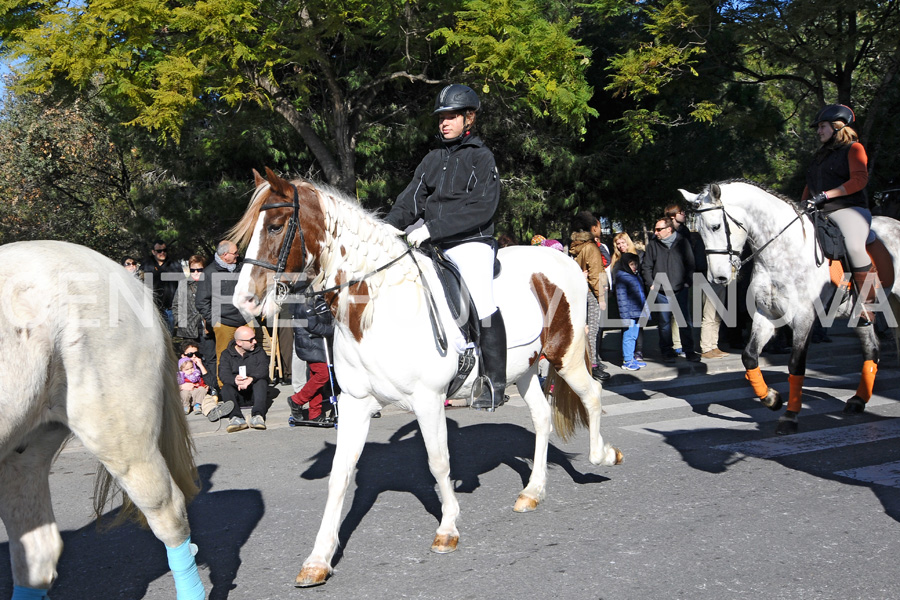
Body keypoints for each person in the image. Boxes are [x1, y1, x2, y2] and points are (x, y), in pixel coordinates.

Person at [384, 83, 507, 409]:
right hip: (432, 241)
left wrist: (432, 228)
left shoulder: (482, 158)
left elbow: (483, 208)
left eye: (452, 116)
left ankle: (495, 382)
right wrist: (386, 228)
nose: (444, 123)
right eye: (441, 117)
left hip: (471, 242)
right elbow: (410, 201)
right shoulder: (432, 159)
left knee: (482, 301)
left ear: (469, 118)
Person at [803, 104, 876, 324]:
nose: (818, 131)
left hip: (849, 209)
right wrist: (801, 203)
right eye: (818, 127)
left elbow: (859, 180)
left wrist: (827, 195)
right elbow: (810, 185)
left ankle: (868, 305)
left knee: (854, 246)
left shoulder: (854, 149)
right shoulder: (819, 156)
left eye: (822, 126)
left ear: (837, 127)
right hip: (820, 210)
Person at [642, 216, 700, 363]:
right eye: (655, 229)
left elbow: (690, 264)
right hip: (661, 291)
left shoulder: (682, 242)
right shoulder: (653, 245)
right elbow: (646, 266)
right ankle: (667, 350)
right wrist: (651, 283)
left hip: (680, 289)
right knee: (664, 323)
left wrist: (687, 282)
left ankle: (689, 350)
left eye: (659, 229)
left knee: (685, 321)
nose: (655, 232)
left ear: (669, 229)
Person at [195, 240, 247, 390]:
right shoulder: (209, 272)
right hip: (223, 323)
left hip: (245, 320)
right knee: (224, 358)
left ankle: (246, 388)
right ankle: (225, 389)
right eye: (235, 253)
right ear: (225, 255)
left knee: (247, 356)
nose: (238, 255)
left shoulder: (241, 267)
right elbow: (201, 301)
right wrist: (214, 320)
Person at [569, 211, 611, 381]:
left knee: (583, 330)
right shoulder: (591, 247)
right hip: (592, 294)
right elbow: (596, 274)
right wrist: (601, 297)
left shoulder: (574, 245)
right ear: (594, 228)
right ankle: (592, 365)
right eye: (599, 226)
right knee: (592, 330)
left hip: (578, 292)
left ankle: (589, 362)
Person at [288, 294, 338, 424]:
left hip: (318, 343)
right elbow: (314, 326)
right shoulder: (306, 303)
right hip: (311, 343)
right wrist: (335, 329)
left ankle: (314, 412)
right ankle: (296, 400)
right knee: (323, 375)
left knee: (315, 378)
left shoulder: (319, 299)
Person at [218, 326, 270, 432]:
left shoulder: (259, 352)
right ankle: (236, 417)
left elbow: (264, 369)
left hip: (254, 393)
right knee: (226, 387)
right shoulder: (226, 354)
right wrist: (234, 380)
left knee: (261, 382)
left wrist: (251, 378)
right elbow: (223, 374)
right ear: (239, 342)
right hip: (238, 393)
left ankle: (258, 416)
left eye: (254, 338)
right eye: (251, 340)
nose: (255, 342)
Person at [178, 342, 232, 421]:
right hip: (184, 396)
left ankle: (213, 411)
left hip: (199, 395)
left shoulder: (201, 366)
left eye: (196, 353)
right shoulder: (178, 368)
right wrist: (181, 386)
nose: (194, 356)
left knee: (207, 399)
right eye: (190, 354)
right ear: (183, 355)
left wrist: (201, 366)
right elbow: (169, 386)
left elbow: (212, 384)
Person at [615, 252, 648, 371]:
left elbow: (641, 294)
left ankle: (631, 358)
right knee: (628, 336)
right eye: (631, 264)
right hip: (629, 313)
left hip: (637, 311)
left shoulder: (636, 276)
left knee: (634, 335)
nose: (634, 267)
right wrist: (624, 316)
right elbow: (621, 299)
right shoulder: (622, 277)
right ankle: (627, 360)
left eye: (635, 264)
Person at [144, 240, 181, 335]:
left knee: (169, 336)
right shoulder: (147, 266)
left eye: (164, 250)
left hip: (170, 309)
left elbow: (182, 285)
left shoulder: (175, 265)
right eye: (159, 251)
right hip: (153, 309)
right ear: (153, 252)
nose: (162, 253)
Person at [173, 254, 206, 342]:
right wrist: (180, 322)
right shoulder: (183, 284)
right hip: (188, 330)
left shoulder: (210, 284)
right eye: (192, 270)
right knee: (190, 355)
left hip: (206, 329)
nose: (196, 272)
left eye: (199, 270)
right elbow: (176, 305)